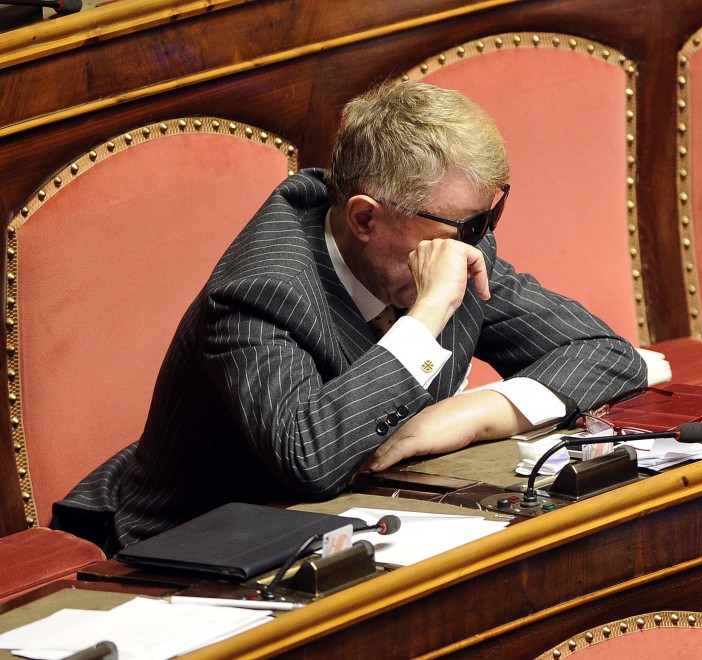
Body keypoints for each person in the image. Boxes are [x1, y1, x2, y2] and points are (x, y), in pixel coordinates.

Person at [55, 81, 646, 552]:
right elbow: (309, 457)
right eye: (465, 226)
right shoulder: (260, 291)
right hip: (190, 551)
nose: (478, 242)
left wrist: (476, 413)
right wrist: (427, 314)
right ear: (364, 218)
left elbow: (607, 354)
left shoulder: (454, 247)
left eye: (489, 218)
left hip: (349, 527)